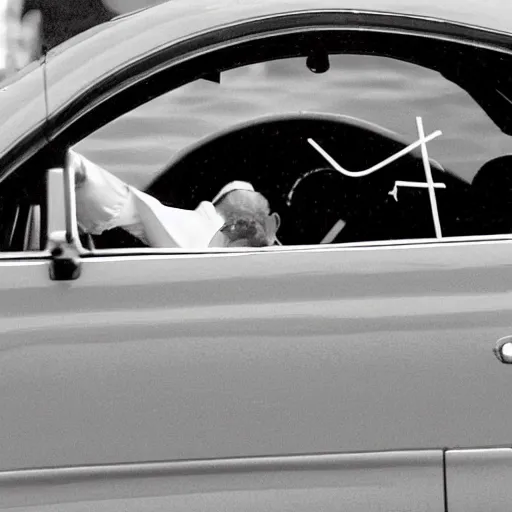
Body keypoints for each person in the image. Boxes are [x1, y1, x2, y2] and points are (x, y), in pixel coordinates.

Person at [69, 150, 281, 249]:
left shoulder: (197, 233)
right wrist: (80, 171)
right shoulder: (195, 228)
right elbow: (130, 205)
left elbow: (130, 206)